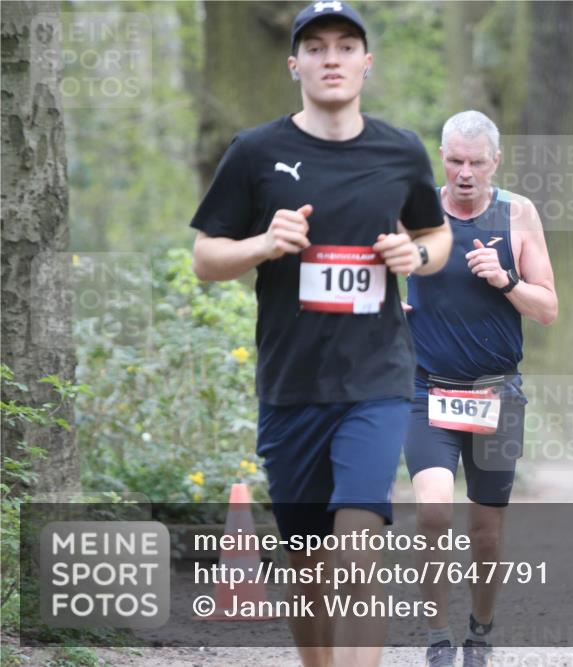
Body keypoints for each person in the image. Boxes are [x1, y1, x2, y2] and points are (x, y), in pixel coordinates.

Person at [189, 4, 452, 666]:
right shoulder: (256, 152)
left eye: (345, 46)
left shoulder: (400, 150)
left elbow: (437, 234)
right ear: (295, 64)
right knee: (307, 565)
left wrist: (413, 258)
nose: (331, 58)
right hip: (290, 384)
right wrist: (263, 244)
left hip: (377, 379)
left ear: (367, 63)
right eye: (316, 47)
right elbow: (205, 259)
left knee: (360, 540)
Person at [404, 110, 557, 667]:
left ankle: (480, 631)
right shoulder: (415, 210)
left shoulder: (518, 214)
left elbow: (548, 309)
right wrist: (384, 311)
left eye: (475, 162)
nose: (464, 172)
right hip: (428, 392)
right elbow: (374, 272)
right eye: (454, 160)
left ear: (495, 161)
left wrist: (506, 279)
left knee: (486, 532)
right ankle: (437, 637)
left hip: (496, 392)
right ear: (441, 158)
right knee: (433, 512)